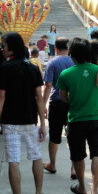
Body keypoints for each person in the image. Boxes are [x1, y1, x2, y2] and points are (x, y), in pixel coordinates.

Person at [0, 32, 46, 194]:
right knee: (36, 156)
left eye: (4, 46)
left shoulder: (5, 68)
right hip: (30, 120)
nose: (1, 49)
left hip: (10, 122)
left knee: (13, 160)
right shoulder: (33, 68)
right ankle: (39, 192)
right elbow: (39, 98)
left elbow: (1, 97)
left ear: (12, 48)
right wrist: (42, 123)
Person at [57, 38, 98, 194]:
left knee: (78, 155)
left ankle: (82, 187)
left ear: (71, 54)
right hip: (97, 119)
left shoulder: (66, 74)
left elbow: (62, 96)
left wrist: (75, 99)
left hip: (76, 120)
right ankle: (95, 190)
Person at [42, 37, 76, 179]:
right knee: (74, 136)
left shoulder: (52, 62)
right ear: (68, 48)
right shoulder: (74, 61)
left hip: (56, 102)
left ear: (55, 48)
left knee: (54, 135)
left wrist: (43, 105)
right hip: (72, 102)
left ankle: (53, 164)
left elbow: (48, 85)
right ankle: (74, 168)